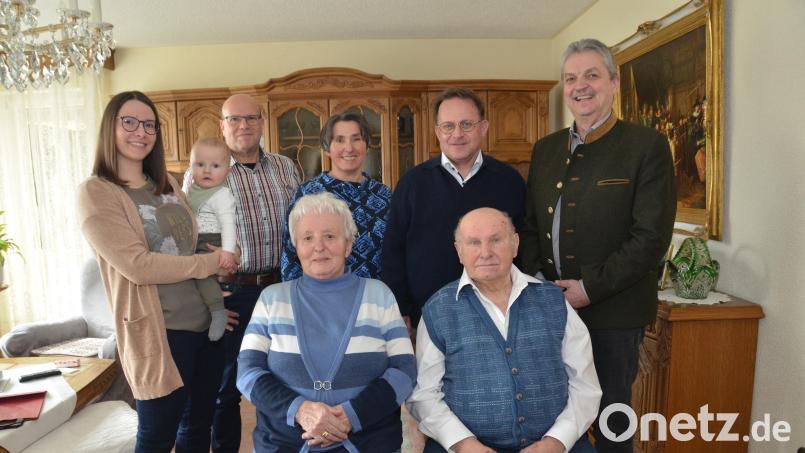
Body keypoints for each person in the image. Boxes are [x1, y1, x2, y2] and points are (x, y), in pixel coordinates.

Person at [519, 38, 676, 453]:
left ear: (613, 82)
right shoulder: (546, 149)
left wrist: (588, 289)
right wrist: (538, 283)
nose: (580, 86)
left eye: (591, 75)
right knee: (552, 413)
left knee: (611, 417)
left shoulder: (647, 146)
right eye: (571, 78)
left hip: (613, 313)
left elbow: (650, 239)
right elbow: (530, 226)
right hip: (549, 308)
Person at [77, 91, 237, 451]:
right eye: (129, 122)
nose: (141, 132)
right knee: (157, 435)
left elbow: (194, 242)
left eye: (150, 124)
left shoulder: (168, 183)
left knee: (198, 427)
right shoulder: (96, 192)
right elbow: (137, 265)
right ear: (110, 128)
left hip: (206, 330)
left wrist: (220, 276)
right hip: (159, 333)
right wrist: (207, 263)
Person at [408, 208, 601, 453]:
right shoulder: (437, 310)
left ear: (515, 244)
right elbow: (425, 395)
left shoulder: (554, 301)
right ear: (459, 250)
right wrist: (464, 444)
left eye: (496, 240)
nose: (485, 252)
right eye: (474, 243)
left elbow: (585, 385)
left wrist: (556, 441)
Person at [237, 192, 416, 452]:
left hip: (368, 443)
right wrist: (301, 411)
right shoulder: (271, 299)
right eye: (308, 238)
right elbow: (248, 374)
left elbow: (404, 371)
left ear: (348, 244)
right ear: (296, 246)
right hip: (284, 444)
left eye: (330, 236)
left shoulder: (380, 295)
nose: (318, 247)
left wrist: (350, 416)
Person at [183, 93, 301, 452]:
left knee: (289, 377)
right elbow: (187, 239)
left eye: (251, 118)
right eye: (234, 119)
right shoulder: (202, 172)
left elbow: (302, 222)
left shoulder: (286, 167)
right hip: (232, 291)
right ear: (222, 125)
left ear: (262, 122)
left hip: (283, 287)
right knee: (227, 389)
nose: (243, 125)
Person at [381, 87, 526, 331]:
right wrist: (401, 310)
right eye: (448, 126)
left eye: (466, 124)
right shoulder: (412, 183)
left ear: (484, 127)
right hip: (427, 319)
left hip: (499, 317)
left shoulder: (509, 181)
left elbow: (524, 247)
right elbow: (393, 251)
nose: (457, 134)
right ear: (437, 131)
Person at [280, 112, 391, 281]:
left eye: (356, 139)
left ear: (367, 146)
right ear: (327, 149)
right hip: (319, 299)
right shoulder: (308, 194)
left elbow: (396, 252)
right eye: (339, 140)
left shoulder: (384, 195)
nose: (349, 148)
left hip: (374, 299)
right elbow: (291, 255)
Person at [185, 137, 237, 341]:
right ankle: (212, 302)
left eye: (215, 166)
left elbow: (229, 224)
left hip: (211, 241)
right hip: (193, 240)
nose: (207, 171)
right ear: (190, 168)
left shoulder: (221, 194)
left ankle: (217, 312)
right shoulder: (191, 190)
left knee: (203, 276)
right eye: (200, 165)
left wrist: (227, 251)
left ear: (228, 171)